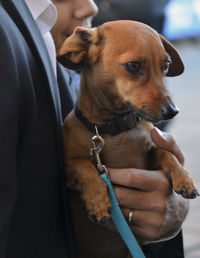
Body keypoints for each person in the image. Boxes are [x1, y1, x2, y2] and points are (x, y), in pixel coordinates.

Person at [0, 1, 188, 258]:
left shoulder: (46, 40)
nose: (92, 7)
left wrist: (167, 213)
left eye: (163, 68)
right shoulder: (10, 34)